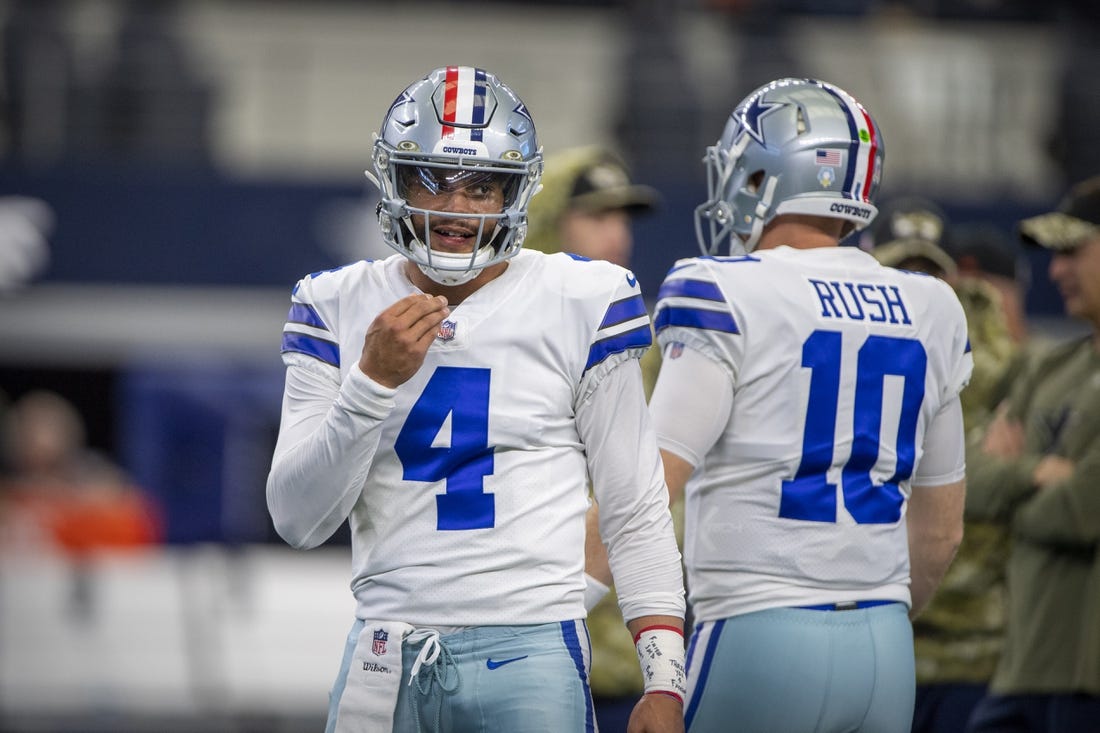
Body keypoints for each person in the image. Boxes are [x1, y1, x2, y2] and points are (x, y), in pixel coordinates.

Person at [265, 66, 686, 733]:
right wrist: (370, 386)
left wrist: (664, 675)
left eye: (482, 186)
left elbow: (633, 507)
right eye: (429, 179)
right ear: (391, 180)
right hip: (383, 650)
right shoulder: (333, 302)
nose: (456, 207)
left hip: (530, 650)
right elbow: (296, 518)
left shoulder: (583, 299)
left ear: (517, 194)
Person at [646, 77, 972, 733]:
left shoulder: (721, 289)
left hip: (758, 633)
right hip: (884, 647)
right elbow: (941, 530)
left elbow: (645, 493)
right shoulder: (932, 304)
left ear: (766, 175)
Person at [525, 145, 669, 730]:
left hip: (621, 662)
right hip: (515, 652)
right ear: (546, 223)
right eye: (597, 215)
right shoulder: (493, 339)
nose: (619, 234)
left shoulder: (647, 347)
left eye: (624, 219)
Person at [868, 198, 1017, 733]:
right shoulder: (851, 351)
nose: (915, 285)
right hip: (873, 634)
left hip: (970, 644)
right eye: (900, 268)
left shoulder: (1002, 365)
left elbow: (1014, 483)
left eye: (929, 271)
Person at [964, 175, 1100, 733]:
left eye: (1072, 251)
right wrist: (1041, 474)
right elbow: (968, 483)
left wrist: (1014, 485)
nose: (1055, 271)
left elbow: (1082, 509)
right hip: (1022, 678)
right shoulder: (1048, 367)